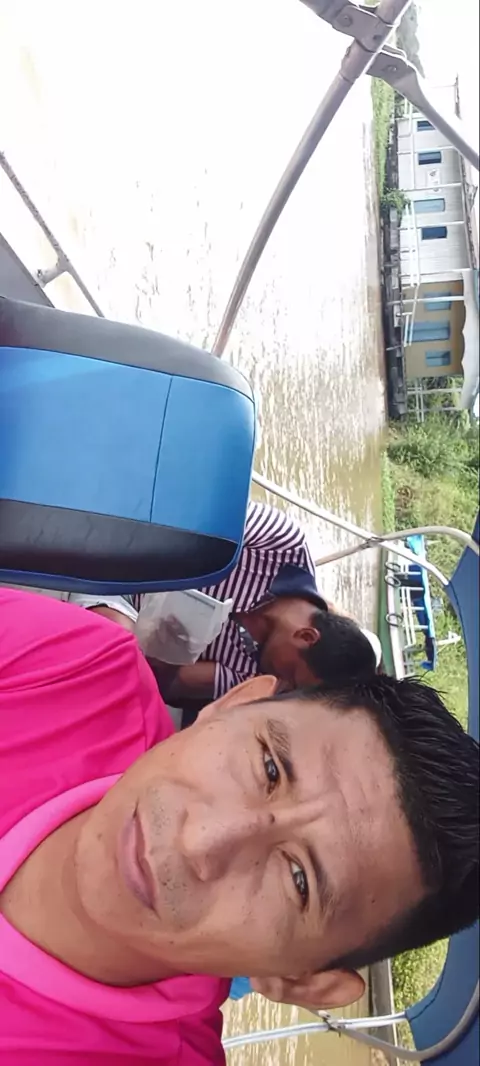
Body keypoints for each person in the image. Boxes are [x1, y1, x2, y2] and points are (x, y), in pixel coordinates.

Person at [0, 588, 478, 1065]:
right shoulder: (77, 668)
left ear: (304, 980)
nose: (200, 841)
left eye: (298, 879)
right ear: (230, 705)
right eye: (269, 768)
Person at [132, 501, 380, 714]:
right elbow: (192, 514)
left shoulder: (251, 675)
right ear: (306, 636)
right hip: (131, 541)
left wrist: (170, 652)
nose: (280, 685)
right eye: (291, 677)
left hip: (124, 616)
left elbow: (170, 685)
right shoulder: (283, 548)